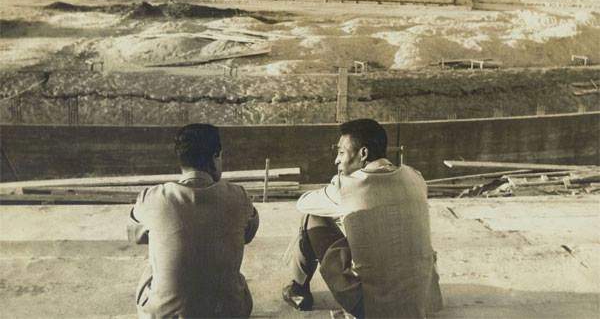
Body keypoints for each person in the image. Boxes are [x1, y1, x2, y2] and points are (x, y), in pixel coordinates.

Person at [283, 119, 442, 318]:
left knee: (312, 217)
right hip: (423, 301)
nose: (336, 160)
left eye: (341, 152)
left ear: (363, 154)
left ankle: (298, 291)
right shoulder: (415, 177)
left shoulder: (346, 187)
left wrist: (340, 203)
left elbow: (303, 203)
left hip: (374, 308)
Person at [128, 123, 259, 318]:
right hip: (229, 313)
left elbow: (134, 236)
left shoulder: (153, 197)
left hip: (167, 315)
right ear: (215, 157)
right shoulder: (238, 196)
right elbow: (248, 234)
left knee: (156, 260)